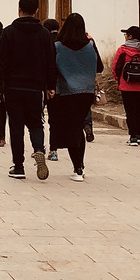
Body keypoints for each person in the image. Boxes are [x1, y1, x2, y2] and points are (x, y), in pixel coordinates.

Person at [0, 0, 56, 180]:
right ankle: (38, 149)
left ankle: (18, 167)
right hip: (35, 88)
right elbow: (50, 61)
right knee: (36, 122)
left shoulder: (9, 32)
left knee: (16, 126)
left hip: (13, 87)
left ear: (18, 9)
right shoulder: (44, 34)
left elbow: (1, 61)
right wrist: (50, 85)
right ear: (37, 11)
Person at [53, 13, 103, 181]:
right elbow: (100, 67)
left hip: (66, 93)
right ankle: (80, 165)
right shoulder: (90, 44)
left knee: (71, 129)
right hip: (86, 93)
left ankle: (78, 168)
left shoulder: (58, 46)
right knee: (79, 126)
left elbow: (52, 69)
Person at [113, 25, 140, 146]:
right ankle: (138, 134)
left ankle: (132, 137)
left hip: (126, 86)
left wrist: (119, 80)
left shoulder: (122, 50)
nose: (125, 37)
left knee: (130, 111)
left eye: (126, 34)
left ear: (130, 36)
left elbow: (116, 68)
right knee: (138, 110)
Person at [42, 19, 62, 161]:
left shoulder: (43, 43)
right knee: (54, 120)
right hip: (59, 87)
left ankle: (39, 147)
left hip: (43, 86)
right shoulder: (62, 43)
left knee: (37, 119)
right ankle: (53, 150)